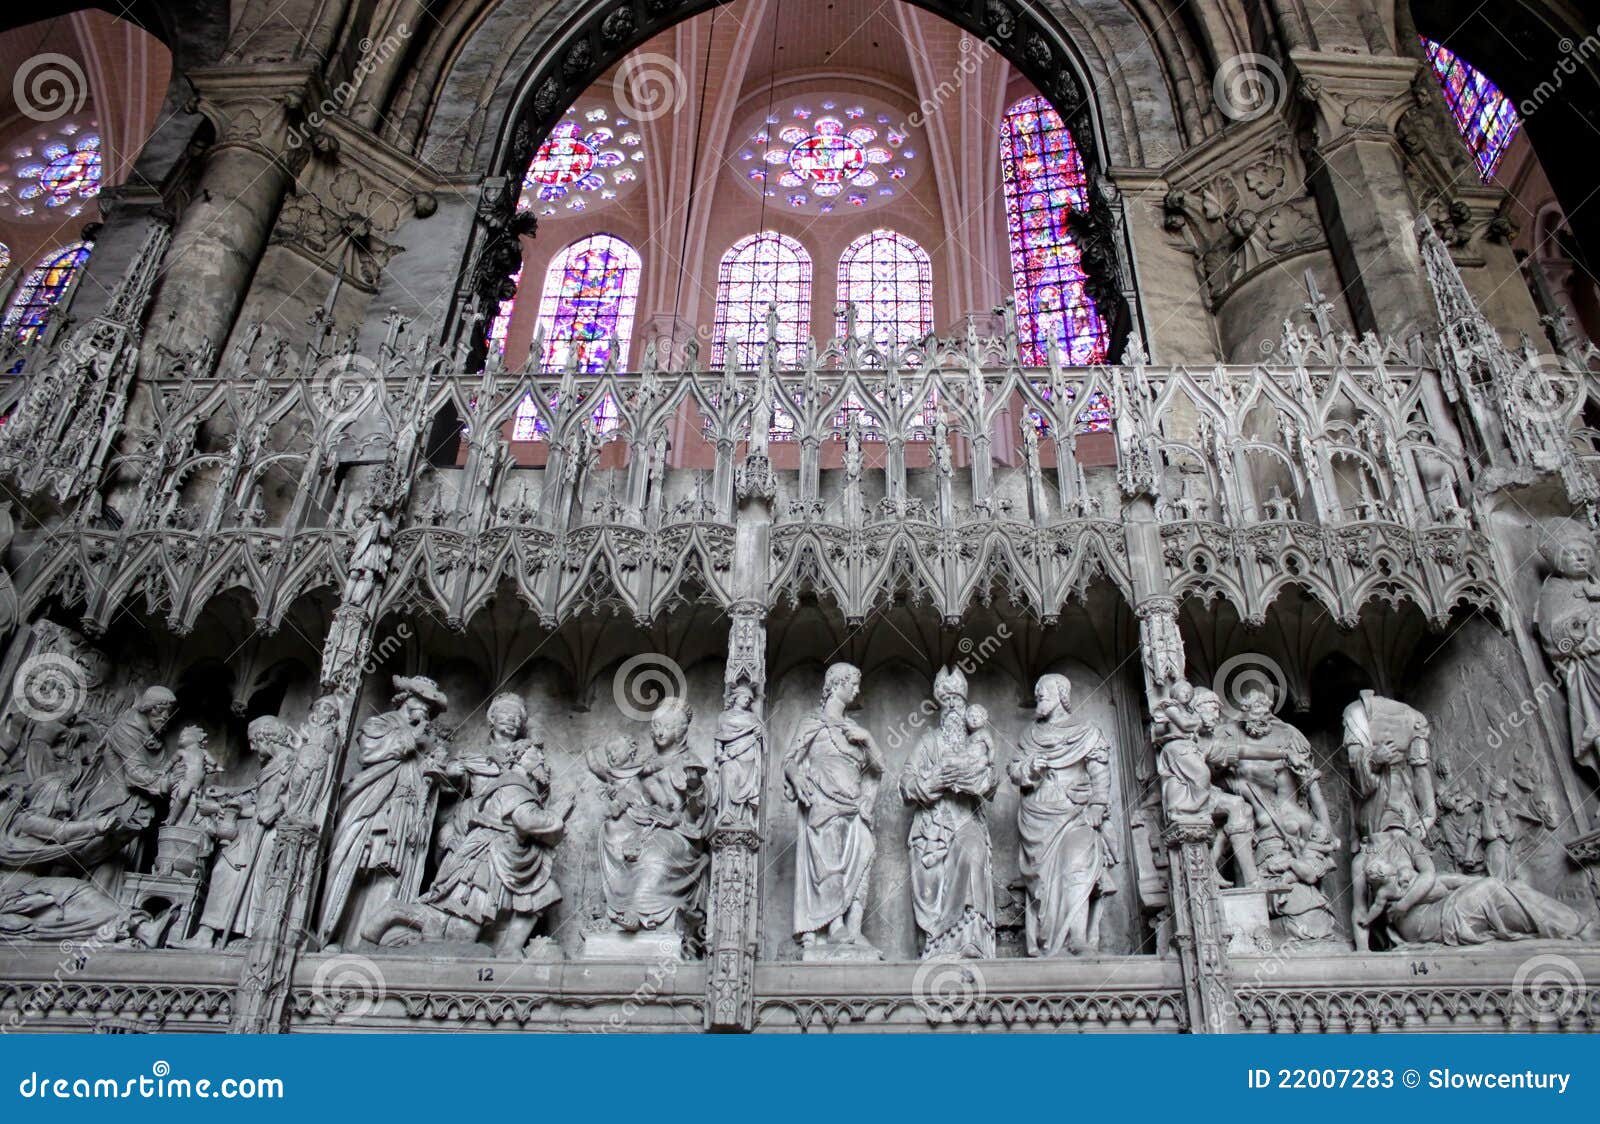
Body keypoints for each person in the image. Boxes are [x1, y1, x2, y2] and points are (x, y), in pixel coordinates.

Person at [424, 697, 572, 956]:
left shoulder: (529, 758)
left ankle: (506, 949)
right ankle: (467, 944)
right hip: (479, 832)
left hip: (516, 838)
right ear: (491, 719)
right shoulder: (476, 758)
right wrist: (451, 773)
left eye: (517, 717)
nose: (512, 720)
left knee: (540, 889)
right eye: (506, 714)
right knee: (471, 896)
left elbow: (533, 803)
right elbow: (451, 793)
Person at [317, 676, 451, 946]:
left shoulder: (426, 742)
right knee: (354, 864)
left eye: (430, 707)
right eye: (422, 702)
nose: (427, 710)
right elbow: (368, 753)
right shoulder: (380, 723)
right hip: (371, 806)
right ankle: (332, 935)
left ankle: (369, 941)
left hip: (406, 815)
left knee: (391, 874)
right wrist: (412, 737)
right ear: (404, 700)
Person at [1009, 673, 1117, 956]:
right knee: (1043, 885)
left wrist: (1097, 804)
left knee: (1077, 866)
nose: (1038, 697)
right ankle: (1048, 942)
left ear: (1061, 695)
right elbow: (1014, 770)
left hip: (1075, 813)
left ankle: (1077, 938)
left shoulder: (1086, 730)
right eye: (1037, 694)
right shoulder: (1030, 735)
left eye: (1042, 693)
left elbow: (1099, 770)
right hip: (1037, 818)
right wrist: (1031, 769)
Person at [785, 662, 884, 956]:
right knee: (830, 863)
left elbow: (879, 767)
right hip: (825, 804)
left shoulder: (854, 730)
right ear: (837, 684)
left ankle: (854, 928)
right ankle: (833, 923)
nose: (857, 689)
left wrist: (869, 740)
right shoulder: (812, 722)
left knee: (865, 854)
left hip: (854, 805)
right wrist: (797, 776)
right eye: (853, 683)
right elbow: (791, 759)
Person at [900, 667, 998, 959]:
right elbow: (905, 784)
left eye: (959, 704)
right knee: (931, 882)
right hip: (933, 824)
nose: (954, 709)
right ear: (941, 712)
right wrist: (932, 783)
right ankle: (937, 943)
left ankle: (970, 940)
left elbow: (991, 782)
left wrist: (978, 780)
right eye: (948, 705)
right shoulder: (929, 742)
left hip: (967, 818)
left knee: (971, 850)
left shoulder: (978, 743)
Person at [592, 698, 710, 935]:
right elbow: (634, 795)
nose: (659, 732)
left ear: (681, 731)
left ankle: (639, 911)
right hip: (648, 825)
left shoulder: (689, 762)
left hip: (679, 833)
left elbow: (698, 811)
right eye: (656, 726)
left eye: (666, 726)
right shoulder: (644, 764)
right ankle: (615, 911)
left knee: (655, 853)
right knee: (614, 831)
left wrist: (694, 789)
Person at [712, 683, 763, 827]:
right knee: (727, 772)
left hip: (749, 758)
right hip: (730, 758)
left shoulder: (753, 717)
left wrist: (760, 735)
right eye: (745, 697)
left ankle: (743, 817)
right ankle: (727, 814)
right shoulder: (724, 716)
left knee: (746, 787)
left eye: (750, 699)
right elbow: (719, 737)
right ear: (736, 697)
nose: (747, 700)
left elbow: (763, 735)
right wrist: (718, 754)